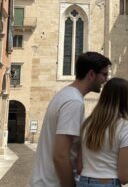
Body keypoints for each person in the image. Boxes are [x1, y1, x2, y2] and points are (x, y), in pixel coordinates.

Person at [30, 52, 112, 187]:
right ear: (91, 74)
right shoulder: (73, 102)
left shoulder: (66, 95)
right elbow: (60, 155)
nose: (106, 79)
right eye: (104, 74)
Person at [77, 77, 128, 187]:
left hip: (83, 182)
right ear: (125, 100)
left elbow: (80, 167)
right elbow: (124, 177)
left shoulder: (87, 124)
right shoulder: (124, 127)